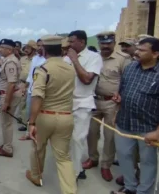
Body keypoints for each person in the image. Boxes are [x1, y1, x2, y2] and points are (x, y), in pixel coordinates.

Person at [110, 37, 159, 194]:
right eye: (137, 48)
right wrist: (119, 101)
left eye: (142, 50)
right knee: (124, 155)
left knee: (148, 162)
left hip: (149, 127)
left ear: (156, 53)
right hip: (124, 122)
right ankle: (130, 187)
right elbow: (123, 90)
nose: (136, 52)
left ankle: (144, 191)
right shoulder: (130, 68)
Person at [26, 35, 77, 194]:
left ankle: (36, 176)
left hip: (45, 116)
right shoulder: (70, 68)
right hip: (66, 116)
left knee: (38, 147)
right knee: (63, 157)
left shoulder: (43, 69)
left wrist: (32, 121)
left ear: (44, 49)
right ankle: (70, 191)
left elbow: (37, 96)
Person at [83, 32, 131, 182]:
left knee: (110, 137)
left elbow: (128, 81)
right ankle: (93, 158)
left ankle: (106, 165)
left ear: (114, 43)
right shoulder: (94, 58)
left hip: (112, 103)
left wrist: (121, 96)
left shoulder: (123, 59)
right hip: (94, 101)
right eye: (102, 43)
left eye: (108, 43)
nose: (105, 46)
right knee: (91, 133)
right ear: (98, 44)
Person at [65, 30, 103, 180]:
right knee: (67, 139)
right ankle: (77, 168)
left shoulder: (94, 58)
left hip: (82, 103)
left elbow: (87, 79)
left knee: (77, 139)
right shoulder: (65, 59)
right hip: (66, 103)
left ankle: (73, 174)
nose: (69, 44)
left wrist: (75, 60)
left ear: (82, 42)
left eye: (72, 41)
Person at [0, 39, 21, 158]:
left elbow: (11, 83)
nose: (0, 49)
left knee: (7, 123)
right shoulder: (7, 60)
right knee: (5, 122)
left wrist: (6, 102)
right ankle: (5, 144)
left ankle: (8, 148)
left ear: (9, 49)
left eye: (2, 47)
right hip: (6, 93)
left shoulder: (10, 62)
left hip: (9, 95)